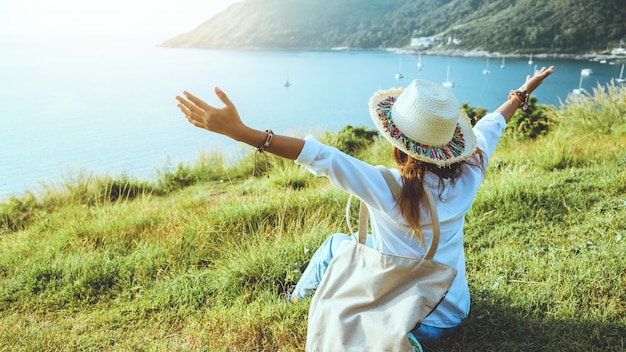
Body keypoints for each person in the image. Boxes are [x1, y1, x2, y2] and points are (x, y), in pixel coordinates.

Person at [176, 65, 554, 344]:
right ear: (450, 142)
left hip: (411, 312)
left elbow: (320, 156)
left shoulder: (386, 186)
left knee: (334, 246)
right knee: (343, 252)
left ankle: (297, 302)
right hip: (450, 310)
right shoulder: (470, 172)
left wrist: (240, 132)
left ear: (397, 142)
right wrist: (520, 94)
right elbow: (492, 125)